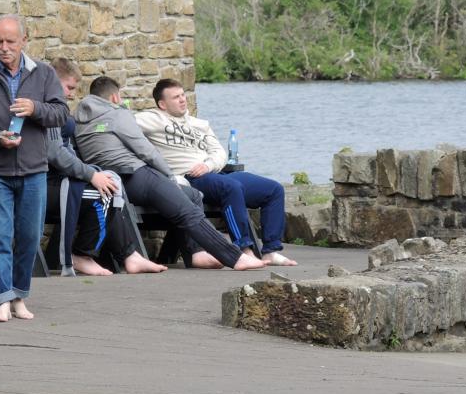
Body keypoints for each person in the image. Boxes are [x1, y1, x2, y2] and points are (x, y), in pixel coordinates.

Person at [74, 76, 266, 272]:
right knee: (186, 210)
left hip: (113, 180)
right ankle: (235, 257)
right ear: (115, 97)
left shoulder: (81, 120)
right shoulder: (117, 115)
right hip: (136, 176)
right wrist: (169, 175)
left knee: (193, 195)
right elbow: (145, 151)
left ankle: (196, 252)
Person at [0, 15, 68, 322]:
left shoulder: (43, 73)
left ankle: (20, 296)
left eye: (10, 42)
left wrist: (35, 109)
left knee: (30, 236)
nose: (4, 48)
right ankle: (2, 300)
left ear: (24, 41)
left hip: (34, 169)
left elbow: (61, 113)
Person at [136, 79, 297, 266]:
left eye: (182, 95)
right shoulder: (152, 119)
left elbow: (219, 153)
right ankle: (243, 248)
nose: (182, 100)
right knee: (231, 187)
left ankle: (271, 250)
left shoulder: (200, 124)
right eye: (175, 97)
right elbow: (122, 122)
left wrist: (209, 165)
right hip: (190, 178)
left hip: (213, 173)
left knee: (273, 189)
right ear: (162, 104)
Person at [48, 58, 166, 276]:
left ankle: (130, 256)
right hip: (45, 184)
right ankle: (82, 255)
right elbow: (55, 153)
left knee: (110, 186)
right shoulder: (48, 110)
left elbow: (67, 152)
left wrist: (93, 172)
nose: (73, 94)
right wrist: (91, 174)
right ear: (53, 81)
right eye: (69, 87)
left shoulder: (57, 108)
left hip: (62, 179)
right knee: (103, 193)